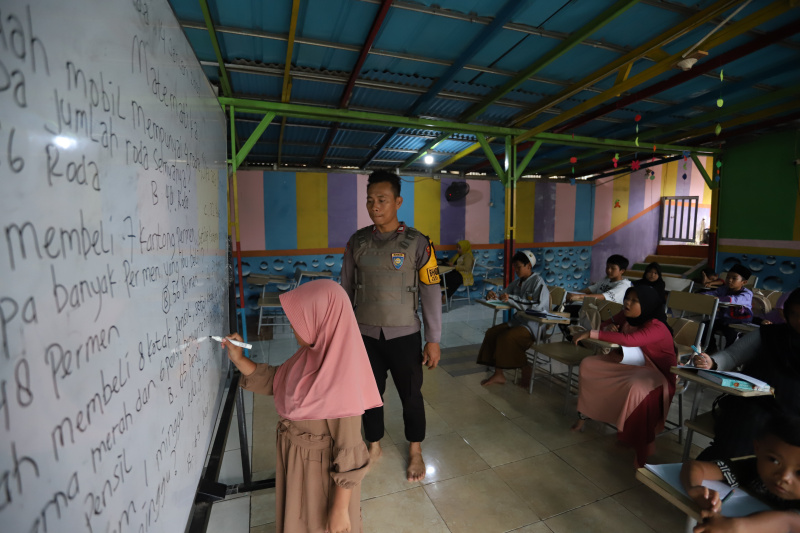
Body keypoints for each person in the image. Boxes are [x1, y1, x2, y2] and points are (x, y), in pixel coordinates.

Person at [223, 280, 382, 533]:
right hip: (298, 465)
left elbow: (350, 454)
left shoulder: (341, 381)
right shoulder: (310, 355)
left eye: (298, 320)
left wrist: (339, 510)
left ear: (321, 320)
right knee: (297, 519)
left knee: (315, 523)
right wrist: (239, 359)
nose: (292, 326)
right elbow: (278, 381)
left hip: (318, 476)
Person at [340, 170, 442, 482]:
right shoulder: (357, 242)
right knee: (369, 395)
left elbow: (431, 291)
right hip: (365, 335)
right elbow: (345, 290)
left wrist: (433, 339)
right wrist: (341, 335)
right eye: (370, 200)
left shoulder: (419, 243)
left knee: (411, 395)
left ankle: (415, 450)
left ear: (398, 201)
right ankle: (374, 445)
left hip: (404, 335)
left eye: (382, 200)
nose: (375, 206)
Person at [571, 285, 678, 467]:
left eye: (634, 301)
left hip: (657, 373)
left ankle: (641, 445)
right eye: (627, 298)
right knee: (590, 365)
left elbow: (630, 340)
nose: (627, 303)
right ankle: (587, 414)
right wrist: (610, 327)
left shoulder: (657, 326)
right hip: (633, 363)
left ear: (647, 304)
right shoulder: (627, 315)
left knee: (637, 389)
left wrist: (591, 333)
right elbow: (606, 324)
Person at [691, 288, 800, 461]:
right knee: (748, 427)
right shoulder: (770, 335)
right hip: (756, 406)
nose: (798, 320)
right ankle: (722, 472)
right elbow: (732, 355)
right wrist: (711, 362)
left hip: (794, 414)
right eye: (794, 313)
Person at [680, 414, 800, 533]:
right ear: (757, 448)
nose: (784, 477)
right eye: (774, 460)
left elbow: (789, 522)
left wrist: (735, 526)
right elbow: (696, 467)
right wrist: (694, 488)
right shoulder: (753, 468)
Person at [476, 250, 549, 386]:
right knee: (492, 333)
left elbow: (537, 306)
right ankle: (499, 374)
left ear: (528, 266)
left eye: (518, 267)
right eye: (514, 267)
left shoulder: (538, 282)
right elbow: (503, 294)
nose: (515, 270)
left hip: (534, 325)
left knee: (507, 338)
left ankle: (525, 368)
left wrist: (512, 299)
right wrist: (492, 295)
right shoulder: (517, 283)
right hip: (518, 322)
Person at [705, 264, 754, 351]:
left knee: (731, 334)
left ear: (744, 282)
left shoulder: (747, 294)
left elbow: (733, 300)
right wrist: (705, 296)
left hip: (739, 323)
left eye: (734, 278)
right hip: (724, 320)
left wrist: (717, 299)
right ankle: (711, 350)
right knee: (705, 325)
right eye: (728, 277)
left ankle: (729, 355)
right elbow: (710, 294)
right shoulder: (723, 289)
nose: (729, 280)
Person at [566, 254, 632, 304]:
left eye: (613, 268)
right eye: (607, 267)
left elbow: (603, 297)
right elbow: (588, 290)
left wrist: (578, 296)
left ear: (622, 271)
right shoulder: (605, 281)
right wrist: (569, 294)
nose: (608, 270)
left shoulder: (624, 286)